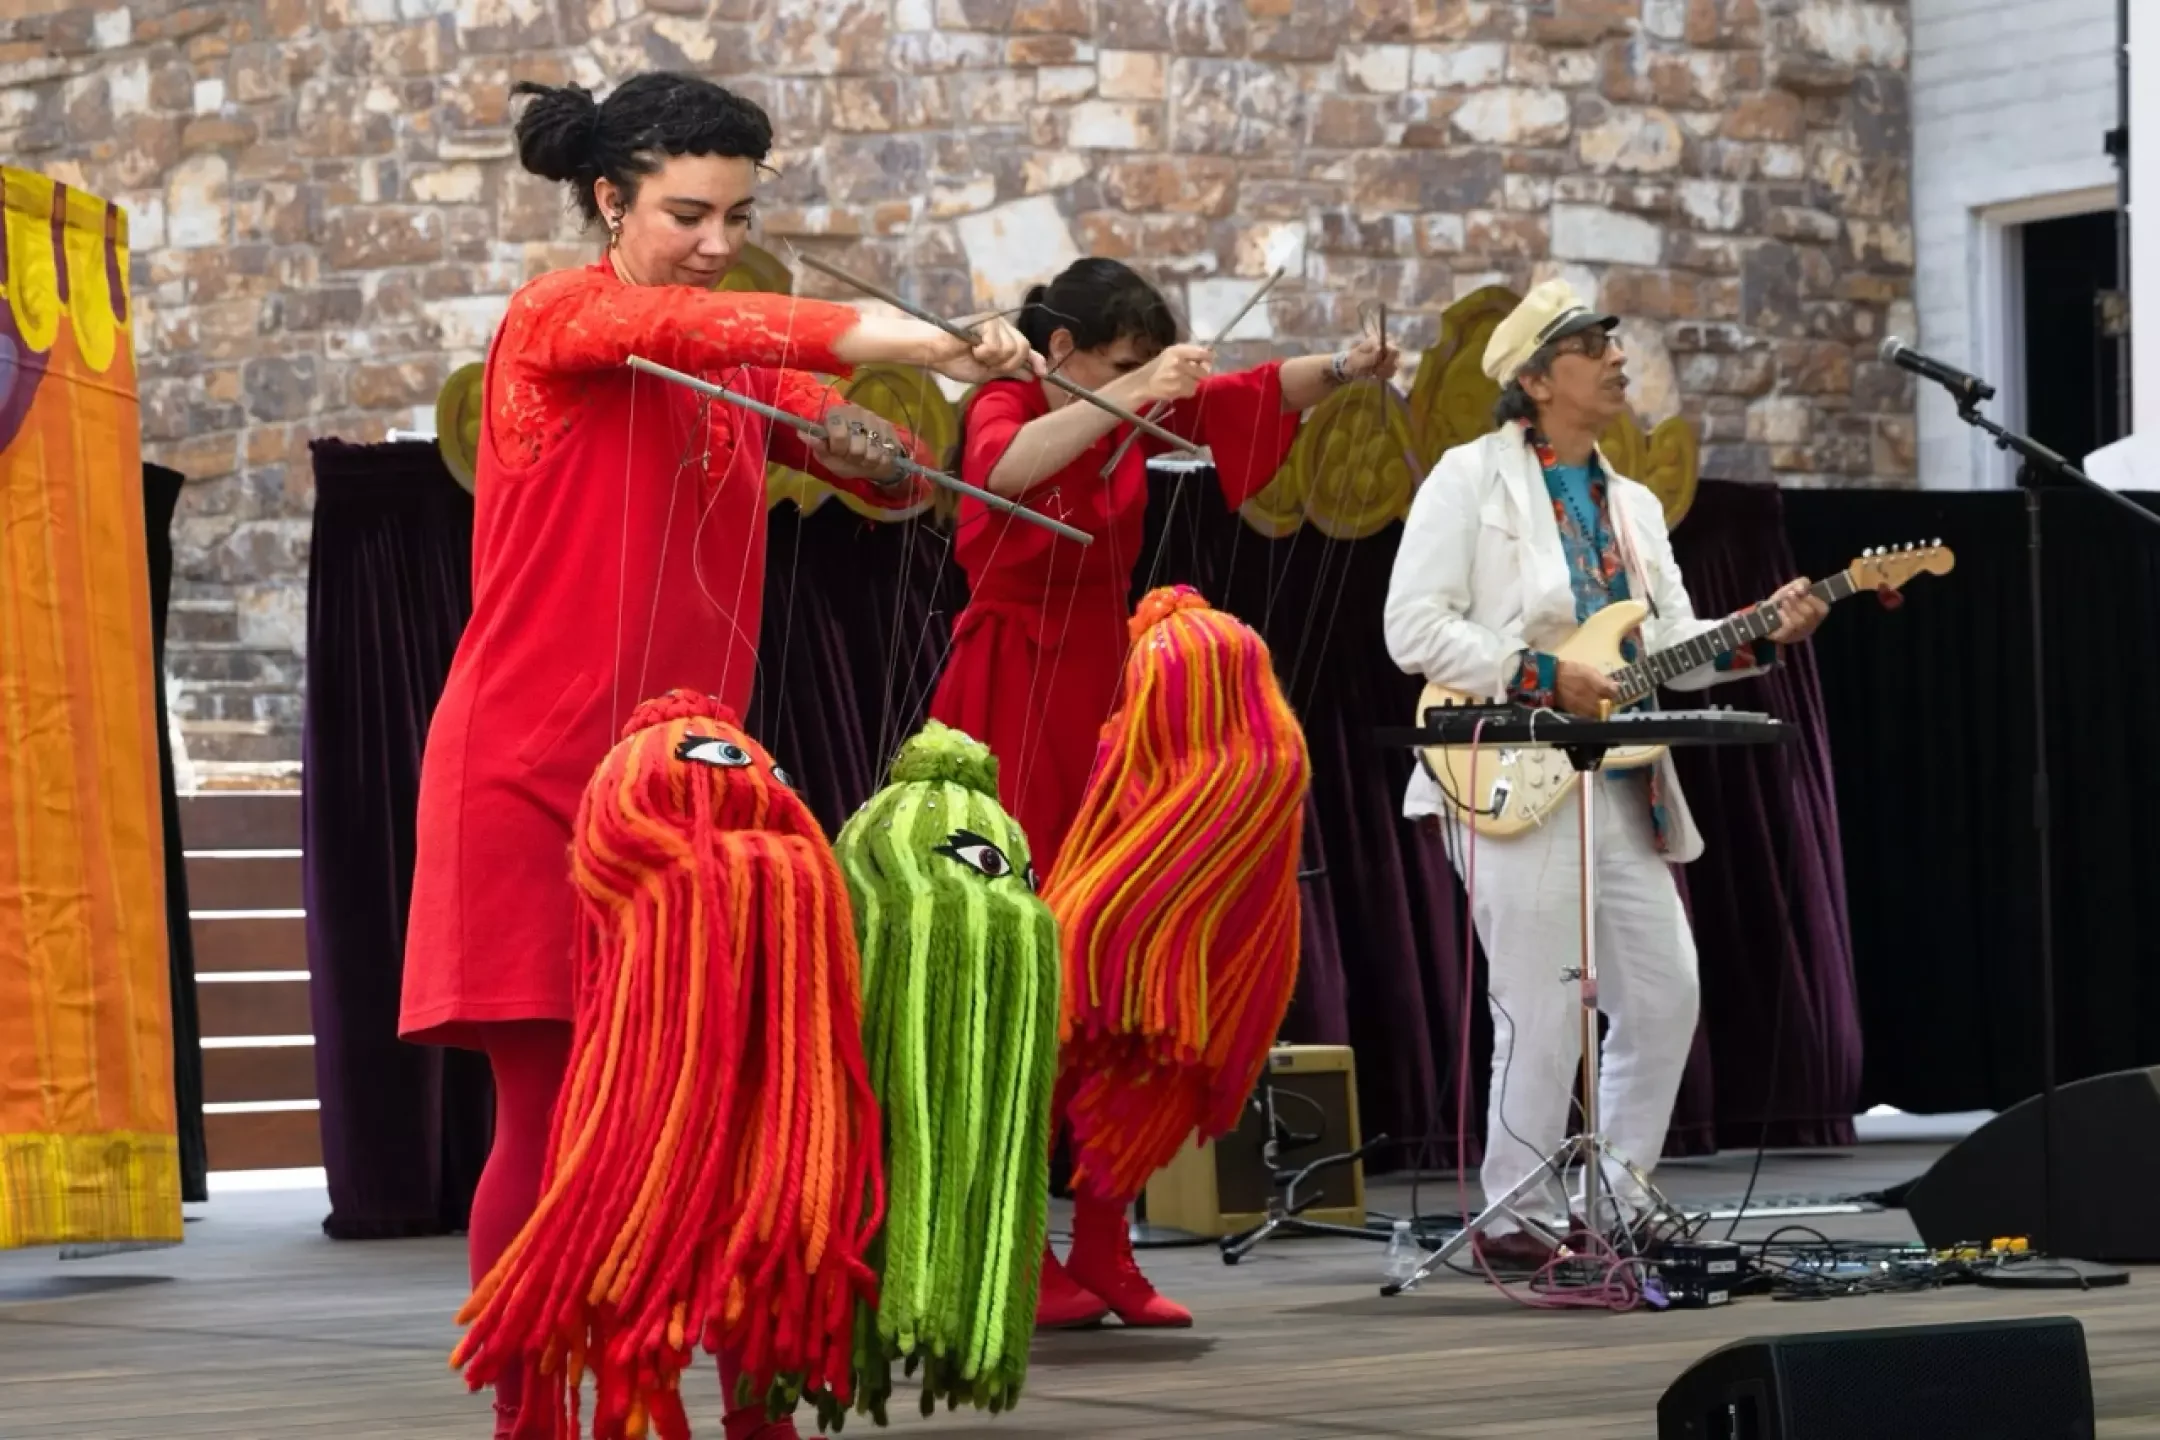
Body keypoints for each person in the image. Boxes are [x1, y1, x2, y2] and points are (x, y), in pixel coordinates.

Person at [396, 72, 1035, 1440]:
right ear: (608, 200)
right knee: (550, 1108)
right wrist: (923, 344)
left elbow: (874, 462)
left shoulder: (734, 364)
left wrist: (875, 449)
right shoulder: (559, 313)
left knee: (746, 1100)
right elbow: (695, 325)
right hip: (530, 769)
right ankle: (533, 1416)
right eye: (688, 213)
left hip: (695, 780)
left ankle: (754, 1413)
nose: (716, 240)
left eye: (738, 216)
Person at [926, 256, 1397, 1330]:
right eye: (1118, 362)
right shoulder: (1007, 399)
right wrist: (1137, 391)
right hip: (1009, 697)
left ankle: (1104, 1238)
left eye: (1142, 366)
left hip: (1109, 702)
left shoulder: (1118, 407)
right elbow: (1005, 470)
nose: (1137, 381)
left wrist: (1346, 365)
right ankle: (1011, 1250)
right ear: (1061, 351)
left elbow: (1246, 396)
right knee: (1022, 972)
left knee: (1127, 968)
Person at [1380, 280, 1828, 1270]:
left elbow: (1667, 648)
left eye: (1614, 345)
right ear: (1537, 380)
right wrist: (1542, 676)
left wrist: (1763, 630)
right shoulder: (1469, 477)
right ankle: (1516, 1217)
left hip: (1621, 778)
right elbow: (1412, 627)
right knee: (1543, 1001)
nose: (1619, 359)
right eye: (1593, 347)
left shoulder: (1631, 502)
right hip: (1509, 765)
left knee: (1665, 994)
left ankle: (1617, 1203)